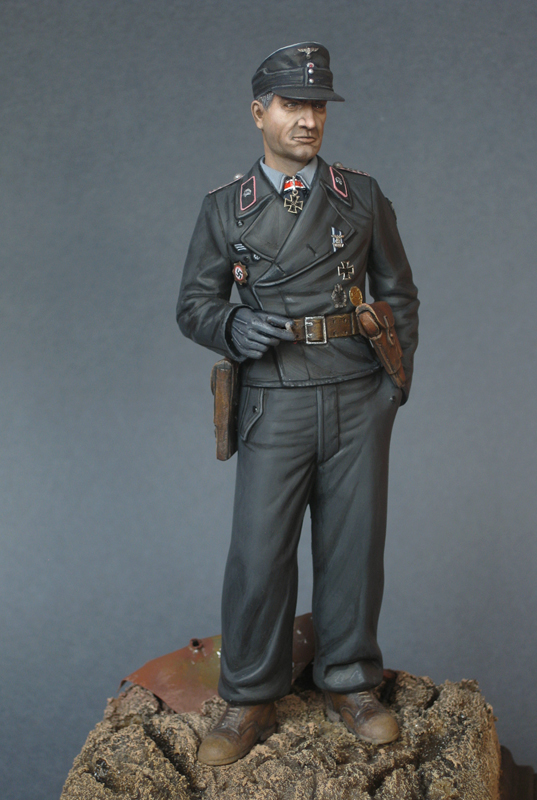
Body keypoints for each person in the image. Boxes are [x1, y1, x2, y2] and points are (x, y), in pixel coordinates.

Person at [177, 42, 419, 766]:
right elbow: (193, 303)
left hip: (354, 393)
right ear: (259, 113)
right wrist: (230, 326)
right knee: (258, 554)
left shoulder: (361, 196)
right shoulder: (227, 209)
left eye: (317, 106)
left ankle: (351, 681)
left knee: (354, 547)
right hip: (273, 399)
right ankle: (249, 694)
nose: (307, 119)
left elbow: (398, 292)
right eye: (291, 105)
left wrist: (393, 386)